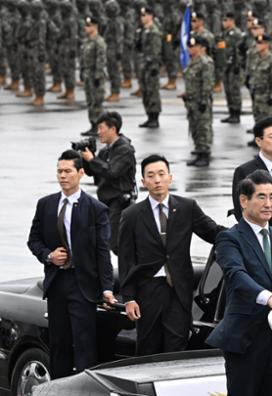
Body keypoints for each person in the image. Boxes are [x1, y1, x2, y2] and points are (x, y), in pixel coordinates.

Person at [206, 170, 272, 396]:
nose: (269, 203)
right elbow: (236, 275)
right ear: (244, 200)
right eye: (261, 197)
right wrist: (269, 298)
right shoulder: (229, 238)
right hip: (244, 338)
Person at [118, 154, 226, 355]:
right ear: (143, 182)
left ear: (170, 177)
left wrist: (245, 232)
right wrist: (129, 298)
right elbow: (126, 260)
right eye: (151, 175)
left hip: (178, 291)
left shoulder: (187, 207)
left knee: (177, 349)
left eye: (161, 174)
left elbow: (213, 232)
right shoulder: (131, 215)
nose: (157, 180)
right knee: (148, 349)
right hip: (147, 292)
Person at [27, 150, 115, 379]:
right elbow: (33, 240)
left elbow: (102, 252)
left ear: (81, 173)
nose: (62, 176)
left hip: (83, 284)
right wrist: (49, 256)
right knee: (59, 345)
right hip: (57, 283)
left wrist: (107, 288)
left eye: (68, 171)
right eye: (59, 171)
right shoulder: (46, 204)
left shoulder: (96, 209)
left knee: (85, 345)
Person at [81, 111, 136, 254]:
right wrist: (86, 157)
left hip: (119, 202)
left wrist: (92, 159)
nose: (98, 132)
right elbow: (92, 172)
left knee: (117, 243)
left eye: (101, 128)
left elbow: (113, 172)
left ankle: (133, 270)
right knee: (106, 241)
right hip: (106, 201)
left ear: (113, 129)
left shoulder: (125, 149)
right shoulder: (107, 150)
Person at [183, 36, 214, 168]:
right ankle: (199, 152)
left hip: (200, 101)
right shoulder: (193, 61)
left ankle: (205, 154)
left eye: (193, 46)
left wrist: (203, 100)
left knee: (203, 127)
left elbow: (207, 83)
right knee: (195, 127)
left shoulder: (205, 62)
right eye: (189, 46)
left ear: (202, 48)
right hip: (191, 101)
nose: (190, 49)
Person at [80, 15, 107, 137]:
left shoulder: (99, 41)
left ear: (95, 26)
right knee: (90, 100)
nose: (86, 28)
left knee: (97, 101)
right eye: (85, 25)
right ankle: (92, 124)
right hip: (87, 74)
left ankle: (98, 126)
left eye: (88, 25)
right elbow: (83, 58)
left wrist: (98, 75)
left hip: (96, 74)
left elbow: (101, 60)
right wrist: (82, 72)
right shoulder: (87, 41)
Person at [137, 6, 162, 129]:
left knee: (152, 91)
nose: (142, 18)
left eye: (145, 15)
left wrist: (154, 65)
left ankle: (154, 117)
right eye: (141, 16)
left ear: (151, 16)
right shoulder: (143, 30)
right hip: (144, 65)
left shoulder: (154, 31)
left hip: (151, 66)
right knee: (145, 91)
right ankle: (149, 116)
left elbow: (156, 51)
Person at [248, 33, 272, 123]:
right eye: (257, 43)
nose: (258, 45)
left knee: (268, 122)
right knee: (258, 121)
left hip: (266, 95)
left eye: (261, 43)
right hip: (256, 94)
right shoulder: (256, 58)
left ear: (267, 44)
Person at [220, 12, 243, 124]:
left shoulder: (236, 34)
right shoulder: (225, 34)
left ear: (231, 21)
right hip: (226, 66)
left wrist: (237, 65)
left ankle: (236, 113)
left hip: (234, 66)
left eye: (226, 20)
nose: (223, 23)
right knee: (228, 89)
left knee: (234, 90)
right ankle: (231, 112)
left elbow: (238, 50)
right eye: (223, 20)